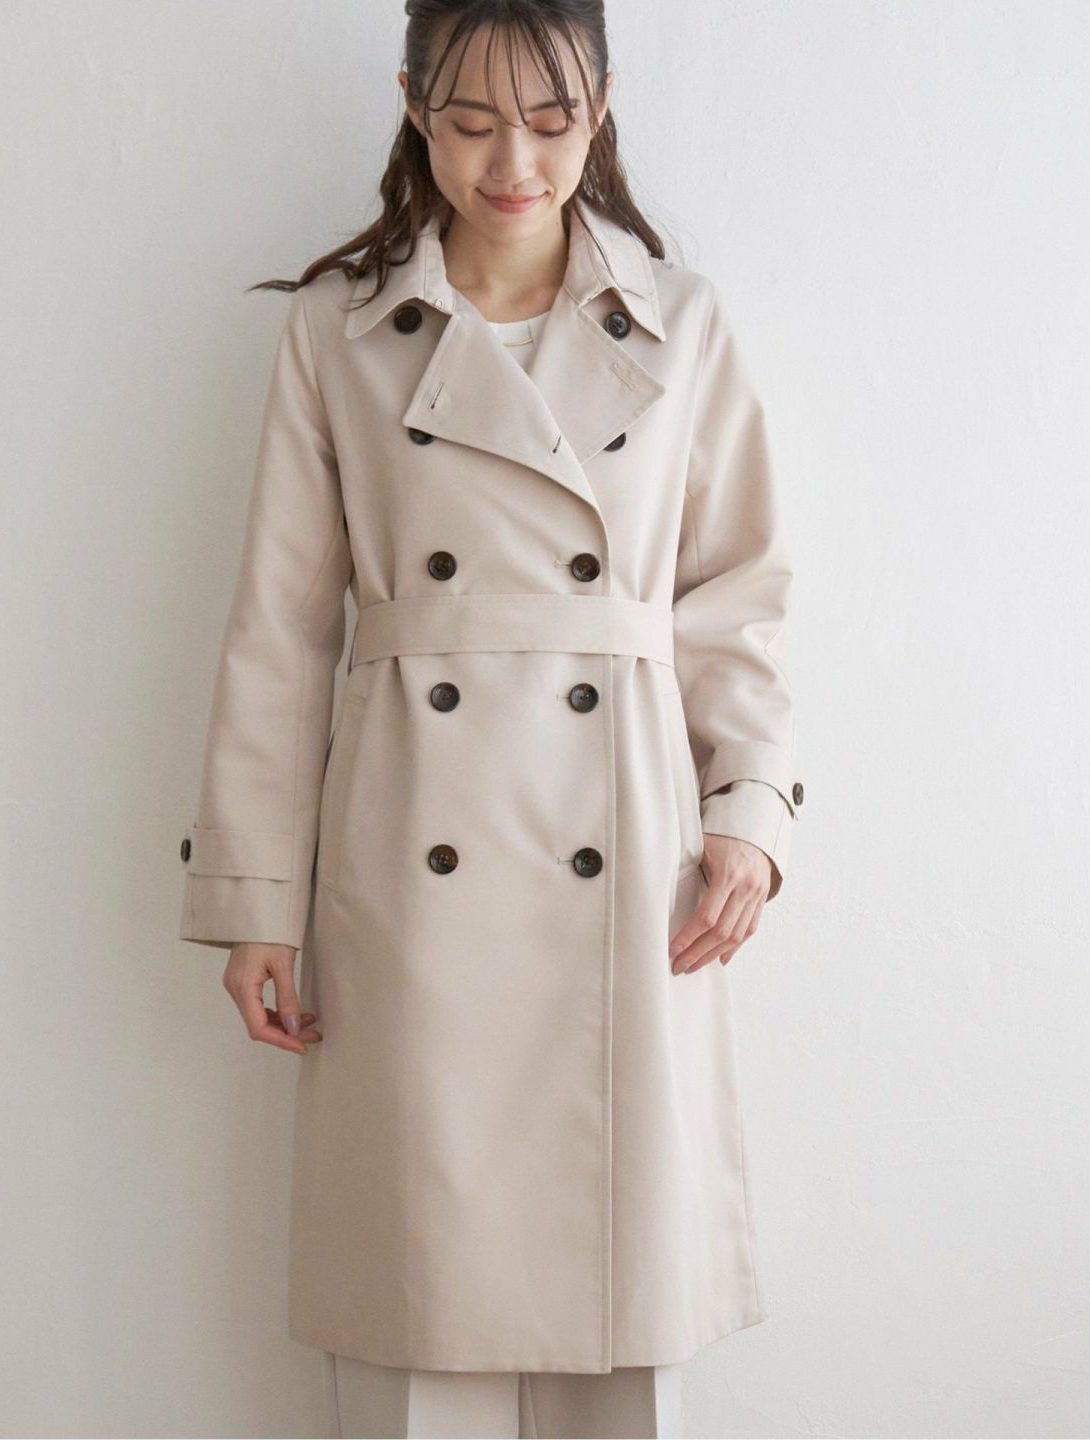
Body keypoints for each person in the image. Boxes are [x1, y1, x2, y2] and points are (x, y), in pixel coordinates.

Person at [178, 2, 803, 1435]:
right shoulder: (339, 332)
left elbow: (737, 592)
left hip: (625, 848)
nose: (512, 163)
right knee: (415, 1301)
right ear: (412, 104)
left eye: (551, 120)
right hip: (414, 850)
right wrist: (255, 899)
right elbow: (282, 630)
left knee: (617, 1315)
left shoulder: (681, 323)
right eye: (469, 121)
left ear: (603, 105)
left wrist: (751, 814)